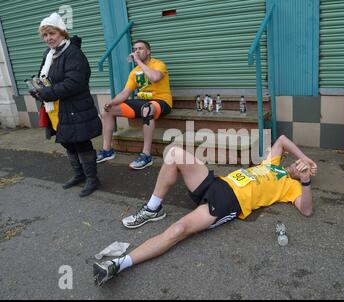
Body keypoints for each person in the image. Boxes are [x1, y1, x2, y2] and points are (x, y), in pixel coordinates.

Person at [93, 135, 317, 286]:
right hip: (217, 183)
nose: (300, 166)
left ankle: (119, 264)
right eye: (299, 163)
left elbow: (306, 210)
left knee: (178, 230)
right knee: (173, 153)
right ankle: (153, 208)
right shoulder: (273, 163)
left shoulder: (291, 186)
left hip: (228, 203)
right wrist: (305, 157)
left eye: (304, 169)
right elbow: (282, 140)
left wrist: (305, 181)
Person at [30, 12, 102, 197]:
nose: (48, 38)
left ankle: (92, 180)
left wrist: (47, 93)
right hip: (57, 108)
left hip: (75, 108)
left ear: (62, 33)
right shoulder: (49, 53)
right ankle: (79, 175)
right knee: (67, 142)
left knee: (81, 143)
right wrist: (37, 88)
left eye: (51, 33)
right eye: (45, 35)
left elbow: (74, 83)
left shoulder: (73, 53)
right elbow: (45, 77)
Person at [96, 40, 173, 170]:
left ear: (148, 51)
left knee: (147, 110)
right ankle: (107, 150)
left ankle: (146, 155)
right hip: (142, 101)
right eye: (135, 49)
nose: (137, 51)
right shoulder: (134, 72)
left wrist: (139, 62)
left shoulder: (158, 64)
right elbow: (125, 93)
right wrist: (112, 102)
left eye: (140, 49)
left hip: (161, 101)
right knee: (107, 111)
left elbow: (154, 77)